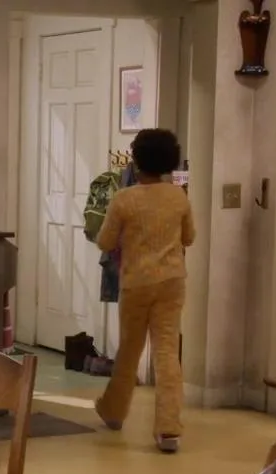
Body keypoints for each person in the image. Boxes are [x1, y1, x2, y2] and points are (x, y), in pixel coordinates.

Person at [91, 128, 194, 453]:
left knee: (129, 349)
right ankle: (169, 428)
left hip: (136, 282)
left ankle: (114, 411)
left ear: (136, 161)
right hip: (172, 282)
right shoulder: (178, 197)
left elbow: (105, 241)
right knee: (167, 352)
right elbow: (189, 237)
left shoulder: (125, 199)